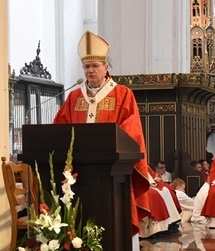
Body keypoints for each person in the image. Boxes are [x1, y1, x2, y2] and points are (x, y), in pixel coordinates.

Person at [53, 31, 154, 239]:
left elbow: (132, 131)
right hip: (79, 174)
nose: (90, 71)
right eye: (87, 67)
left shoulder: (123, 94)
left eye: (95, 66)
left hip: (112, 173)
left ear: (105, 68)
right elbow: (59, 129)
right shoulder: (73, 97)